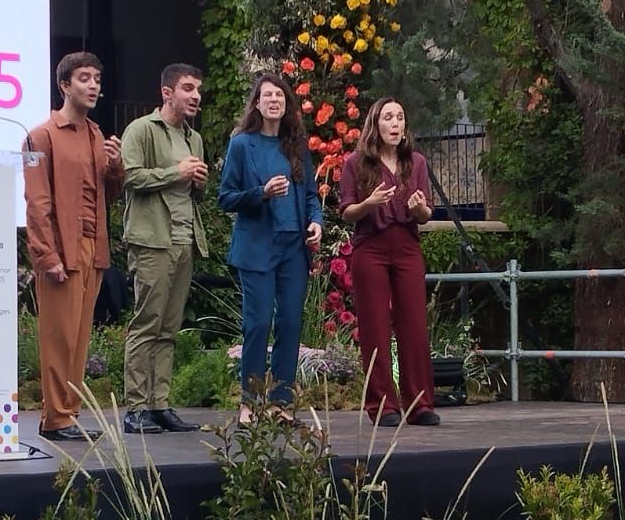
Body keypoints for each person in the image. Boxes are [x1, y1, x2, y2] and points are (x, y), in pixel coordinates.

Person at [23, 52, 124, 442]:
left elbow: (109, 194)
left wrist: (116, 167)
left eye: (97, 78)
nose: (94, 85)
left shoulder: (97, 135)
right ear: (65, 85)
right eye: (85, 78)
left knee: (81, 335)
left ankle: (70, 413)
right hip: (60, 248)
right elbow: (38, 202)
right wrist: (46, 255)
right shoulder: (41, 135)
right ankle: (55, 417)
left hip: (92, 247)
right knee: (58, 334)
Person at [218, 73, 323, 420]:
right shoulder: (241, 145)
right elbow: (226, 198)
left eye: (279, 95)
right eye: (267, 95)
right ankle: (250, 402)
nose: (274, 100)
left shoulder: (296, 145)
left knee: (291, 323)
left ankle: (281, 402)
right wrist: (261, 194)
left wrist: (316, 223)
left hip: (294, 246)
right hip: (257, 247)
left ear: (286, 104)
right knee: (258, 323)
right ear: (257, 104)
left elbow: (310, 197)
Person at [338, 96, 440, 426]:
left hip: (408, 247)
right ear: (376, 125)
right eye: (388, 118)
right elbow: (346, 213)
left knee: (414, 326)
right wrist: (369, 203)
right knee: (376, 329)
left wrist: (418, 208)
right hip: (372, 248)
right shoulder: (356, 163)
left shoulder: (417, 163)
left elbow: (426, 214)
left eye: (400, 117)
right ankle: (382, 406)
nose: (395, 124)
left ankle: (419, 404)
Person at [119, 63, 209, 433]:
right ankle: (136, 407)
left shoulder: (194, 138)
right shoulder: (141, 129)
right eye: (188, 88)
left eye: (198, 90)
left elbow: (193, 190)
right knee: (147, 324)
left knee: (169, 329)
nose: (196, 96)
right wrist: (177, 173)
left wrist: (198, 181)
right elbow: (129, 176)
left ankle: (160, 404)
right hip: (151, 240)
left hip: (185, 239)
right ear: (167, 93)